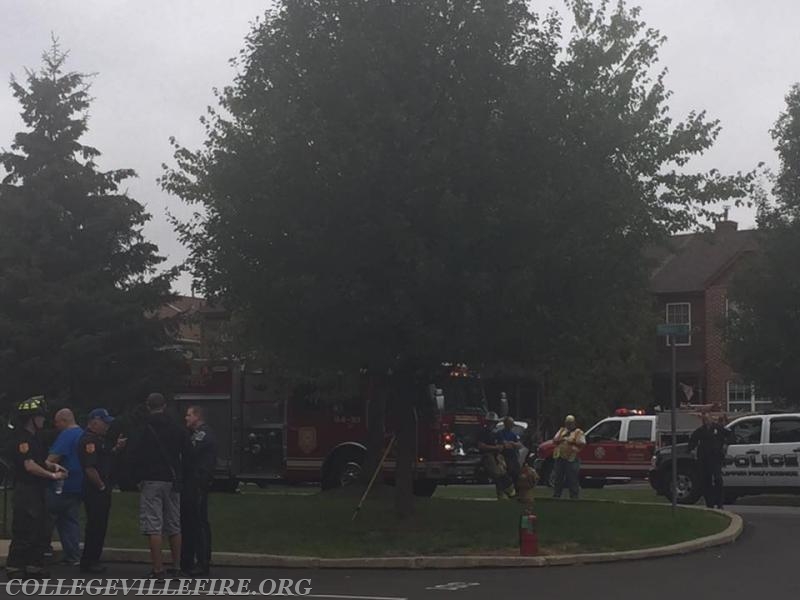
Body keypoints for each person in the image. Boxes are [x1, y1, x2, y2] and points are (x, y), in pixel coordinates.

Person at [5, 396, 68, 580]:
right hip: (26, 489)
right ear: (30, 418)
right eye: (39, 416)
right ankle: (15, 567)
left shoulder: (35, 439)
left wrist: (53, 467)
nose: (43, 420)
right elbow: (29, 466)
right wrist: (53, 476)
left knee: (40, 527)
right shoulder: (22, 439)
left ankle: (34, 565)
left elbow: (40, 461)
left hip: (38, 489)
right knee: (25, 527)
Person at [129, 393, 190, 579]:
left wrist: (136, 477)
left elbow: (135, 454)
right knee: (174, 524)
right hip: (172, 480)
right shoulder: (177, 428)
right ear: (164, 406)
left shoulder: (144, 428)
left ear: (148, 406)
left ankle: (158, 569)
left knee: (153, 525)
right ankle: (177, 566)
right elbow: (187, 453)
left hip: (151, 479)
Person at [78, 408, 126, 574]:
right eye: (104, 423)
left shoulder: (99, 440)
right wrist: (101, 486)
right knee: (95, 526)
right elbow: (90, 468)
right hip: (95, 490)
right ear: (94, 422)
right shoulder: (89, 441)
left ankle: (93, 558)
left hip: (100, 488)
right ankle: (90, 560)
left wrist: (116, 449)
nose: (107, 426)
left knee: (100, 525)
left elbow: (104, 458)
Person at [180, 406, 217, 576]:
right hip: (191, 483)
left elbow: (190, 452)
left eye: (188, 415)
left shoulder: (203, 434)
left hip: (198, 483)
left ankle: (203, 562)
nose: (185, 418)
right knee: (191, 521)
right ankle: (189, 560)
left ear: (198, 416)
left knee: (199, 522)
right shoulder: (194, 434)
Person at [45, 409, 84, 566]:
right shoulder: (82, 433)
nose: (56, 425)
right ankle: (73, 555)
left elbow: (52, 458)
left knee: (47, 514)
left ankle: (43, 549)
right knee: (70, 520)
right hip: (79, 484)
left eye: (57, 422)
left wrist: (42, 466)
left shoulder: (66, 435)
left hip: (62, 484)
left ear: (64, 420)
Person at [688, 412, 733, 509]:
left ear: (711, 420)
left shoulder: (718, 428)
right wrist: (691, 450)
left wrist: (725, 445)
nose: (706, 421)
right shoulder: (700, 431)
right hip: (704, 459)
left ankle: (720, 503)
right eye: (705, 420)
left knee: (718, 480)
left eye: (708, 419)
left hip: (716, 458)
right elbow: (692, 441)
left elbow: (730, 435)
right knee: (706, 481)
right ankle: (710, 503)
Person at [478, 412, 516, 500]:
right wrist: (495, 447)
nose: (492, 424)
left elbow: (501, 444)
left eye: (493, 422)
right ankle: (509, 490)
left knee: (503, 473)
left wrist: (502, 447)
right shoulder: (483, 432)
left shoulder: (496, 433)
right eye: (490, 422)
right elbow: (481, 445)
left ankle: (503, 494)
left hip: (498, 455)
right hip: (487, 455)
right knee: (497, 473)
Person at [551, 414, 586, 499]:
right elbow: (554, 440)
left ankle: (574, 497)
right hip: (560, 457)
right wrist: (562, 439)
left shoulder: (578, 432)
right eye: (567, 423)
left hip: (572, 458)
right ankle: (556, 495)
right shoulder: (561, 430)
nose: (569, 425)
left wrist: (571, 442)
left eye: (570, 423)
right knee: (558, 478)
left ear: (574, 423)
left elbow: (582, 443)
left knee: (572, 479)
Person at [496, 416, 523, 486]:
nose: (512, 425)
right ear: (506, 424)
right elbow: (504, 445)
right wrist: (511, 444)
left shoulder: (513, 434)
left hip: (513, 457)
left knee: (517, 472)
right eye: (510, 423)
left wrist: (513, 444)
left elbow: (519, 445)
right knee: (508, 472)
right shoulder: (500, 433)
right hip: (505, 456)